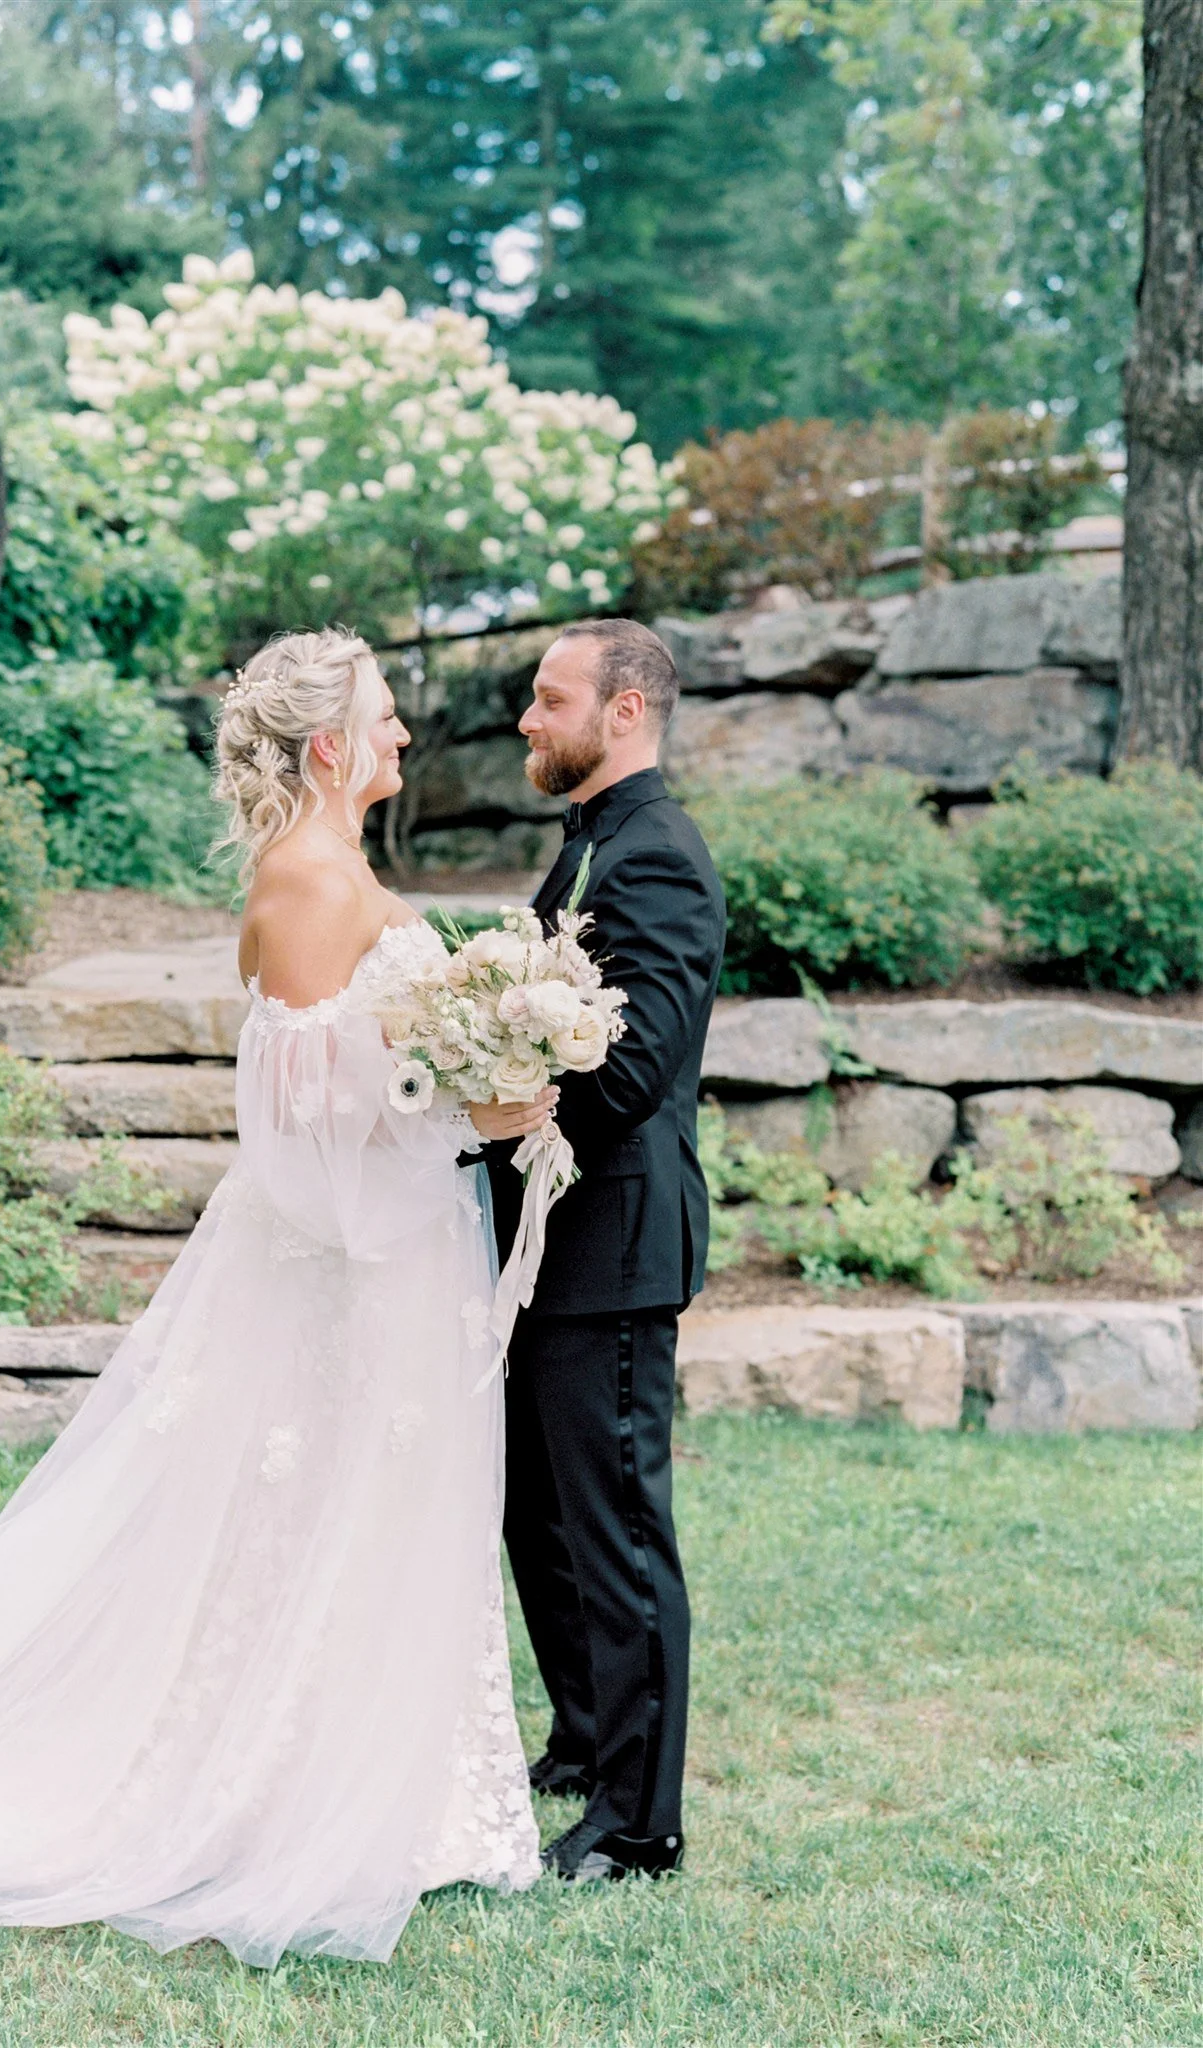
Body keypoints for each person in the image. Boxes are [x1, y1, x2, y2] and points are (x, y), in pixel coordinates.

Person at [0, 629, 550, 1968]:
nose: (400, 737)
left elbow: (366, 1081)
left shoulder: (342, 866)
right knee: (316, 1520)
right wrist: (482, 1107)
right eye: (382, 717)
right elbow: (308, 1133)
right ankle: (292, 1796)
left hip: (388, 1263)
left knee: (362, 1516)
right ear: (327, 745)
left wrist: (474, 1085)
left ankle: (419, 1792)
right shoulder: (311, 881)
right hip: (342, 1275)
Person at [485, 618, 726, 1884]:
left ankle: (639, 1823)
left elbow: (628, 1068)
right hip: (545, 1243)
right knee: (542, 1517)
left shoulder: (658, 859)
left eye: (548, 696)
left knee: (618, 1532)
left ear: (622, 710)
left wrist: (495, 1087)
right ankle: (585, 1738)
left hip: (615, 1244)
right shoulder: (587, 848)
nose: (527, 718)